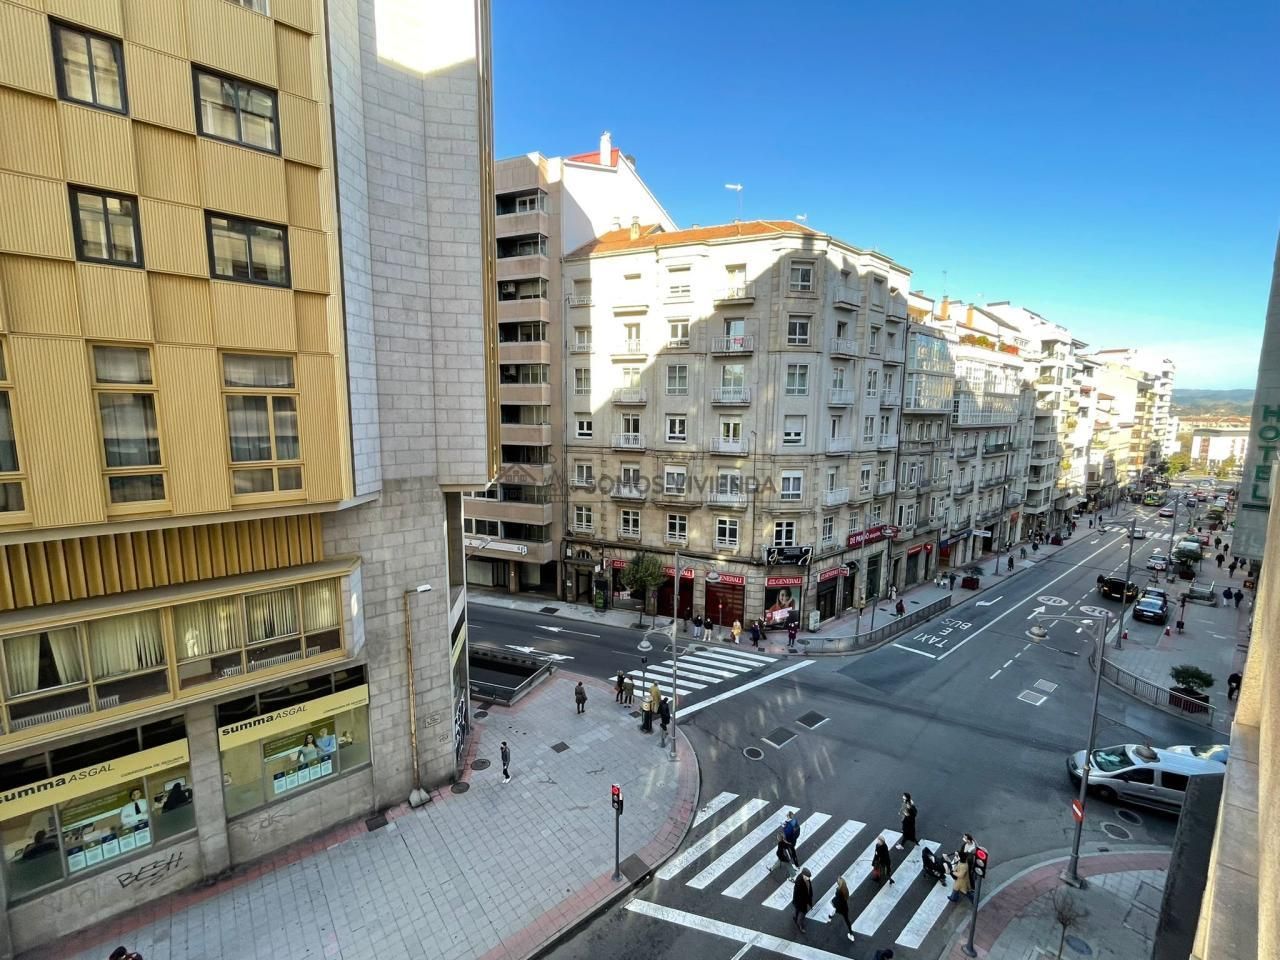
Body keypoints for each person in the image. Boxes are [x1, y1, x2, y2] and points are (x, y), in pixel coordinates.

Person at [829, 876, 855, 941]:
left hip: (839, 907)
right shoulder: (845, 889)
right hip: (844, 907)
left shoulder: (838, 891)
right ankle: (851, 934)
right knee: (847, 920)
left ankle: (830, 917)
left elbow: (837, 899)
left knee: (834, 910)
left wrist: (832, 901)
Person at [791, 867, 813, 934]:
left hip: (800, 901)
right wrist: (806, 901)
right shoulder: (799, 882)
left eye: (808, 877)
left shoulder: (805, 879)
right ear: (803, 875)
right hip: (801, 902)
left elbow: (809, 888)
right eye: (807, 877)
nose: (808, 878)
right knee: (802, 913)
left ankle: (795, 916)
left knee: (797, 909)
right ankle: (800, 925)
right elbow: (799, 895)